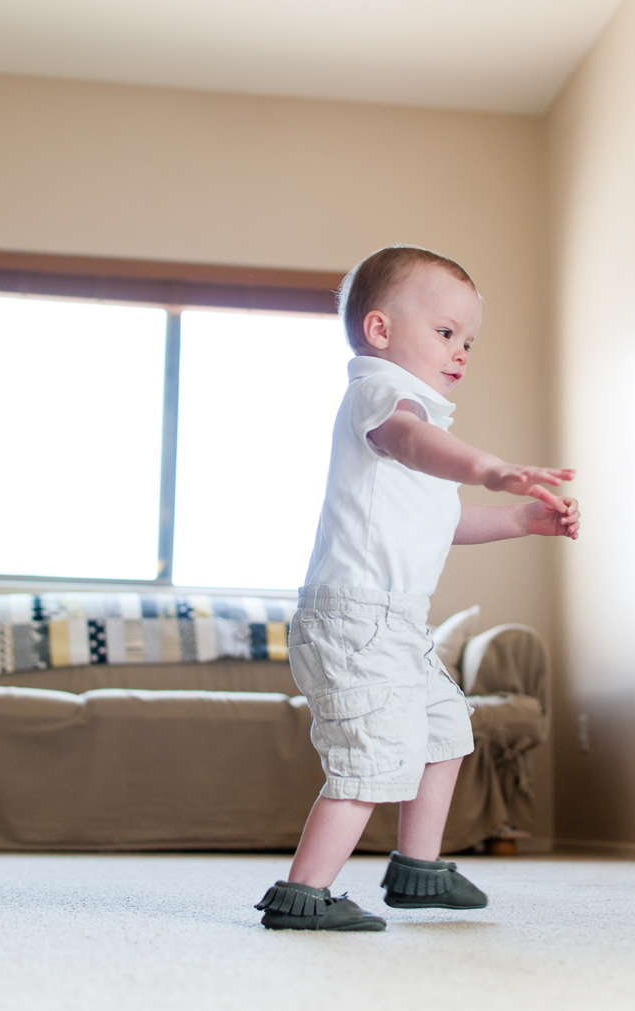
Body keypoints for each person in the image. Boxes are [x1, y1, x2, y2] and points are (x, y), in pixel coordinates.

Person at [255, 245, 580, 932]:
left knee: (446, 732)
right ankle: (304, 894)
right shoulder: (380, 395)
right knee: (370, 760)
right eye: (445, 332)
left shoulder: (421, 425)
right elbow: (408, 440)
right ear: (380, 332)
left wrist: (521, 519)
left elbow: (444, 521)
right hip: (354, 620)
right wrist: (492, 469)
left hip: (398, 624)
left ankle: (417, 870)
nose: (461, 350)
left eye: (469, 339)